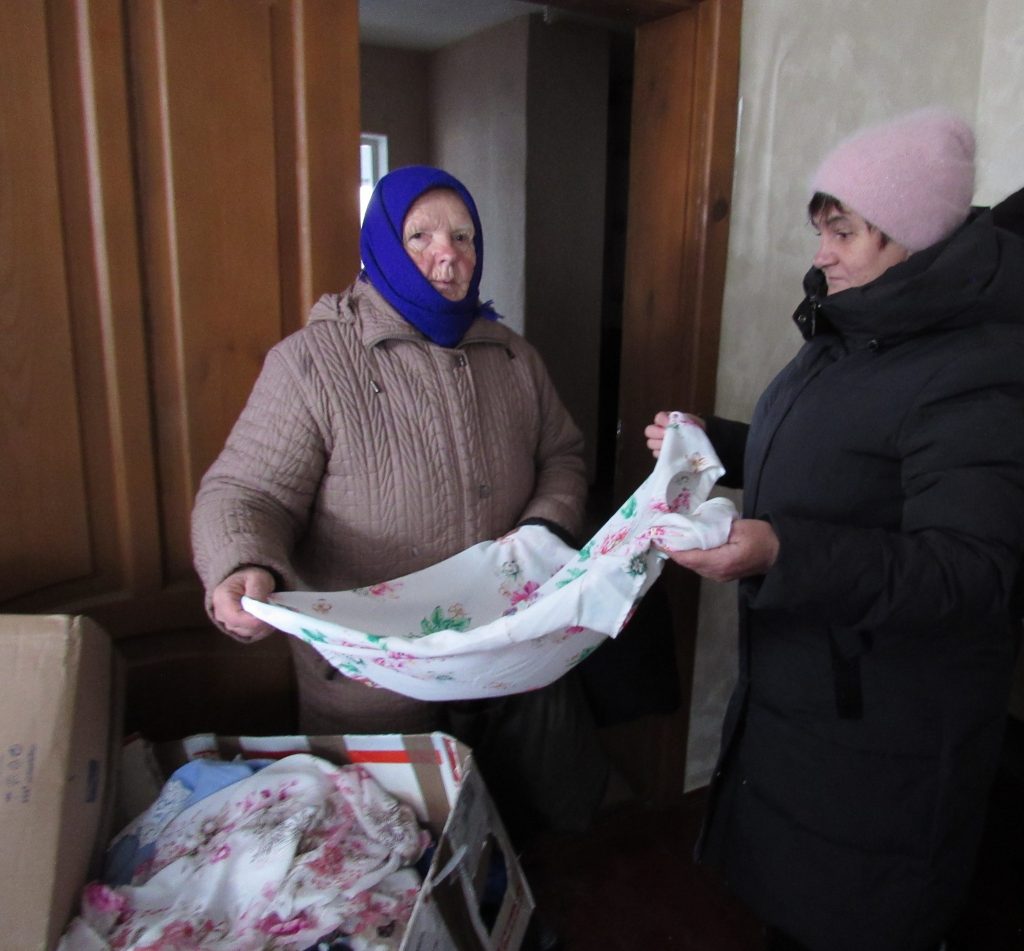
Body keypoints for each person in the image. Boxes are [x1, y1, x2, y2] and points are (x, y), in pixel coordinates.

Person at [645, 109, 1024, 951]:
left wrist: (783, 550)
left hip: (888, 732)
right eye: (822, 229)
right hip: (813, 698)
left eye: (843, 231)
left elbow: (968, 570)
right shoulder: (856, 323)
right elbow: (839, 463)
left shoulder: (978, 369)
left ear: (910, 235)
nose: (822, 253)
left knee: (850, 920)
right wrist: (714, 442)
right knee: (797, 909)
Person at [191, 164, 612, 842]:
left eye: (463, 236)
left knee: (518, 837)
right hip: (376, 689)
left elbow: (562, 455)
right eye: (421, 236)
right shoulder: (313, 363)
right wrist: (241, 564)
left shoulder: (513, 357)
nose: (448, 255)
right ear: (383, 245)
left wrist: (542, 528)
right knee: (399, 854)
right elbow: (245, 491)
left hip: (505, 663)